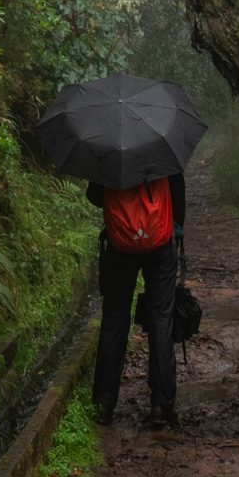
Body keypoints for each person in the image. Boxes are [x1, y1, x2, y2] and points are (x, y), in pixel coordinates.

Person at [87, 173, 185, 429]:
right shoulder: (162, 148)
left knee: (114, 319)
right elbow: (177, 196)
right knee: (161, 318)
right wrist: (174, 232)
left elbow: (95, 197)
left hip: (119, 243)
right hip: (161, 242)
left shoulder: (109, 150)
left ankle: (104, 404)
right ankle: (161, 405)